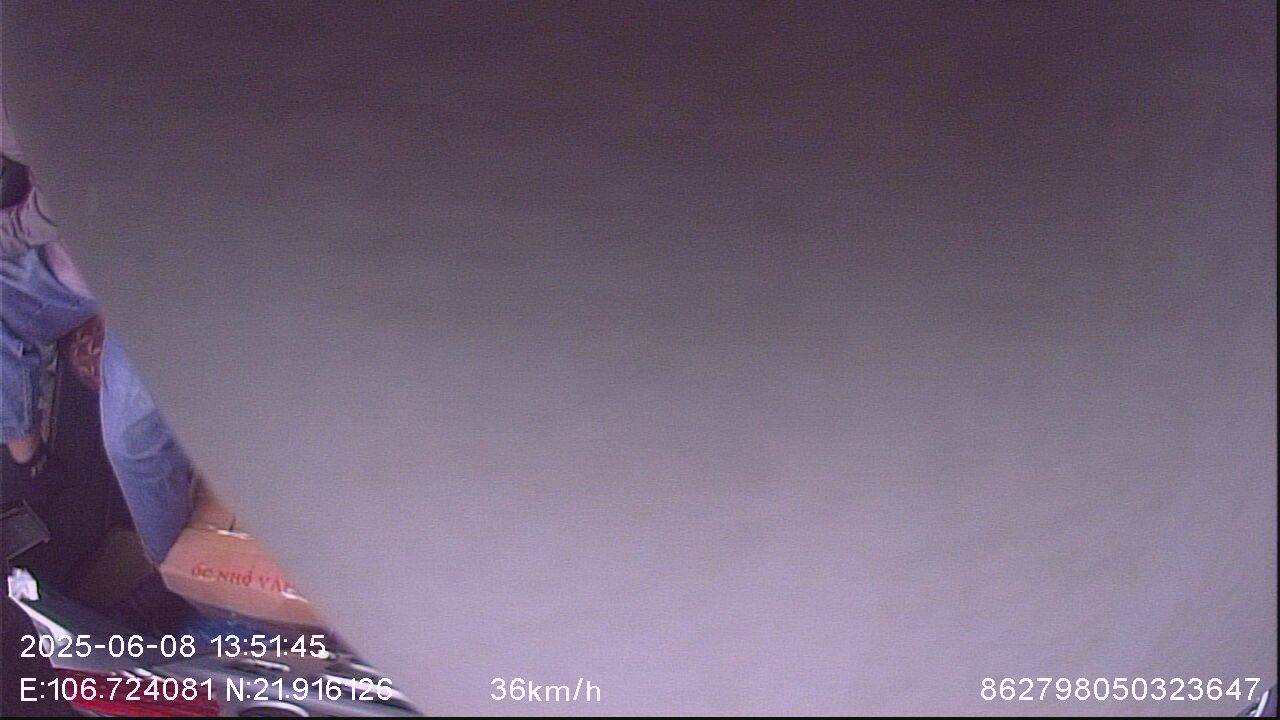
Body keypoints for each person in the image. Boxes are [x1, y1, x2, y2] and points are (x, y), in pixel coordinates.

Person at [1, 105, 193, 564]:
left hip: (165, 260)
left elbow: (71, 188)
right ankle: (33, 464)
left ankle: (173, 571)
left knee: (131, 440)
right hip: (78, 253)